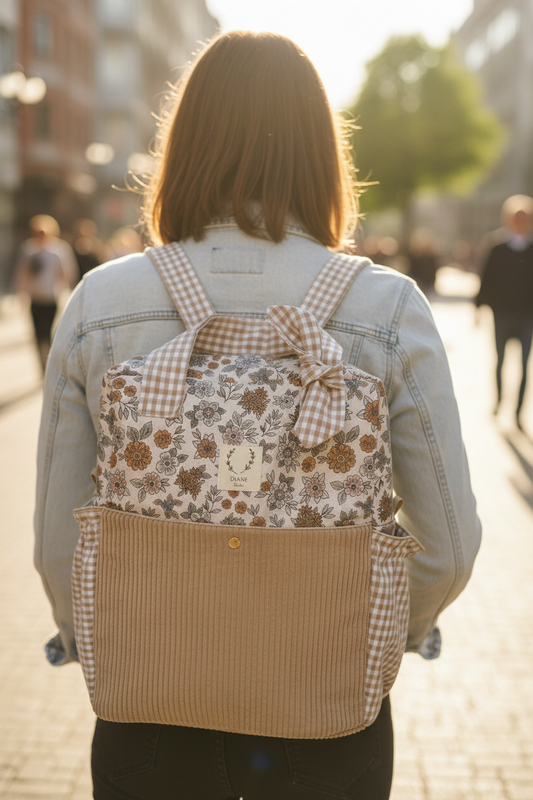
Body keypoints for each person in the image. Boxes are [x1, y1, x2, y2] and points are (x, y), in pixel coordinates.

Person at [34, 32, 481, 800]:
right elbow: (447, 541)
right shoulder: (384, 308)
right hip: (328, 713)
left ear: (184, 146)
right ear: (320, 154)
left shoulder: (100, 304)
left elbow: (58, 544)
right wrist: (378, 638)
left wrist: (93, 639)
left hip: (151, 711)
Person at [475, 194, 533, 427]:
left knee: (524, 365)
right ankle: (499, 401)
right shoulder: (497, 247)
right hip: (502, 314)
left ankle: (518, 411)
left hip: (527, 315)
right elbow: (486, 278)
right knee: (499, 361)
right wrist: (478, 306)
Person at [15, 214, 78, 371]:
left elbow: (68, 273)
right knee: (37, 334)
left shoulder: (59, 250)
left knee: (49, 332)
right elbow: (22, 273)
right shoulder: (29, 250)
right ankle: (42, 365)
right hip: (35, 297)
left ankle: (49, 364)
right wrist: (21, 294)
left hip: (51, 297)